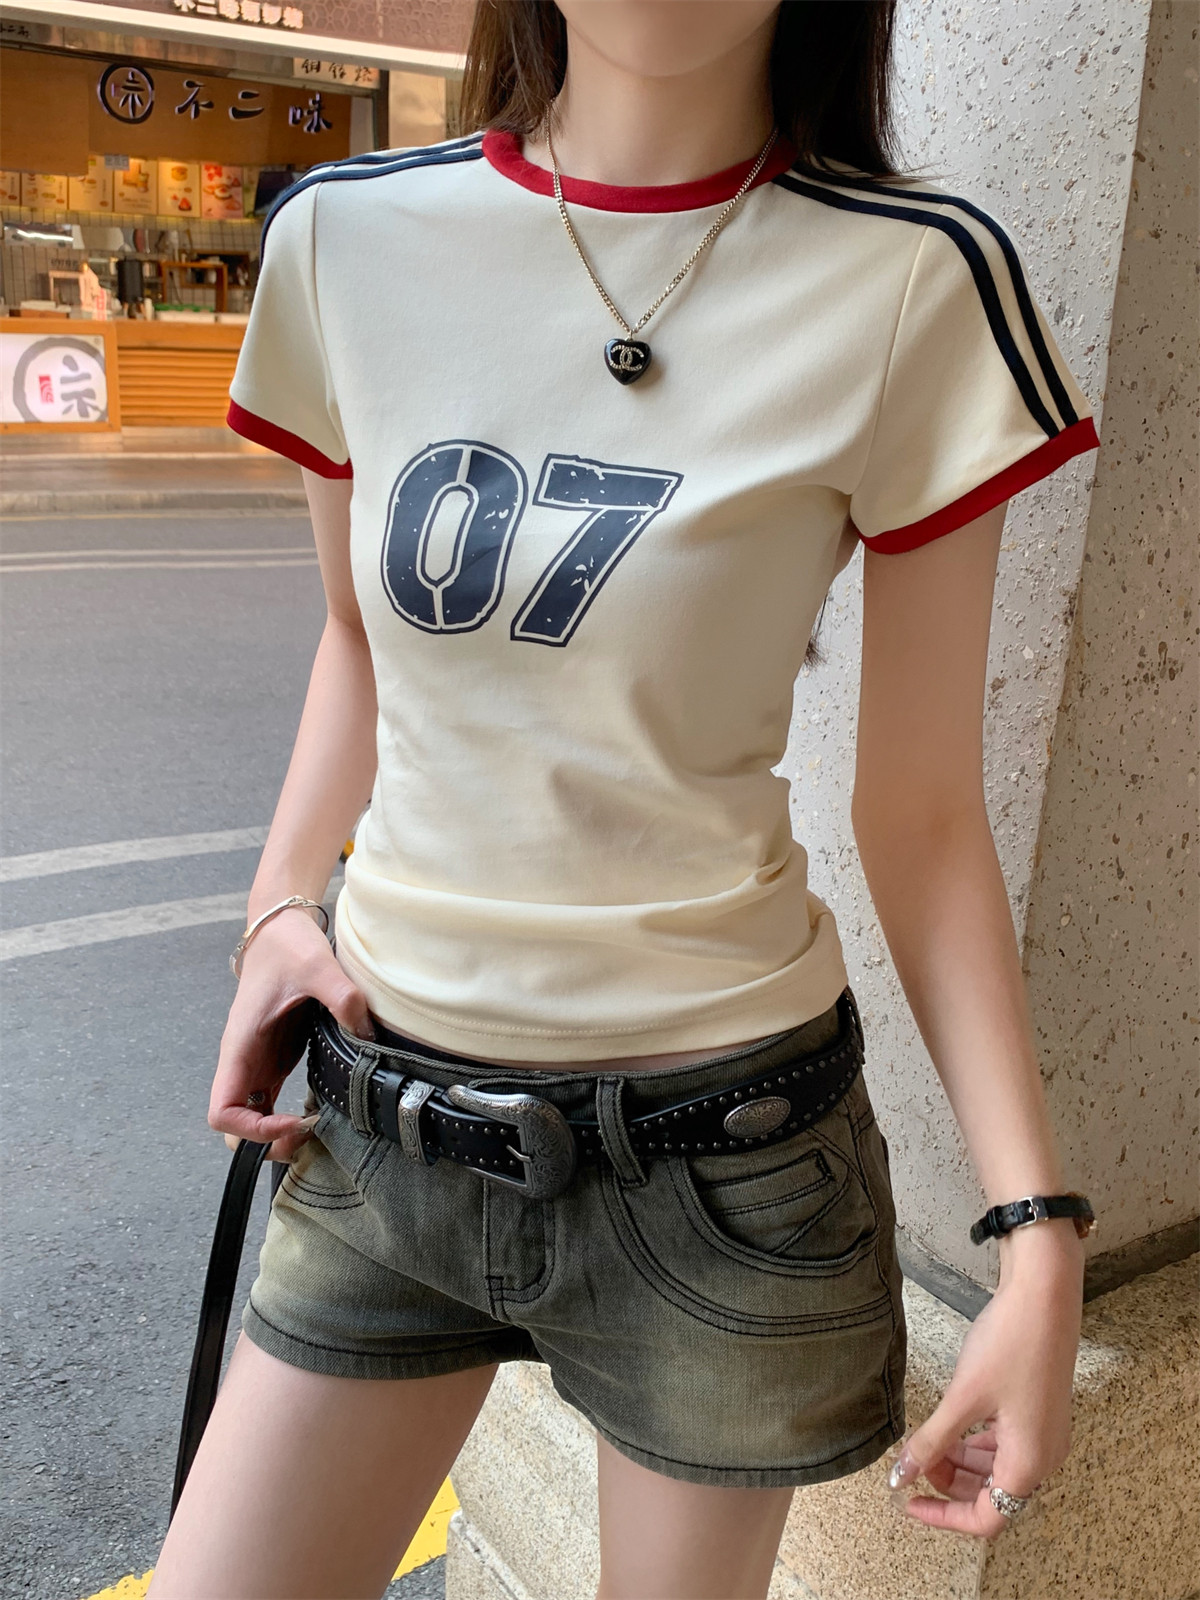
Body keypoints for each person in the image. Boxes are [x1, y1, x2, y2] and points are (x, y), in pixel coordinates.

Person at [149, 3, 1100, 1596]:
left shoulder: (915, 277)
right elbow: (360, 638)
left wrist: (1036, 1230)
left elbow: (925, 811)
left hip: (722, 1166)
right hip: (385, 1130)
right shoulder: (345, 238)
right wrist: (277, 907)